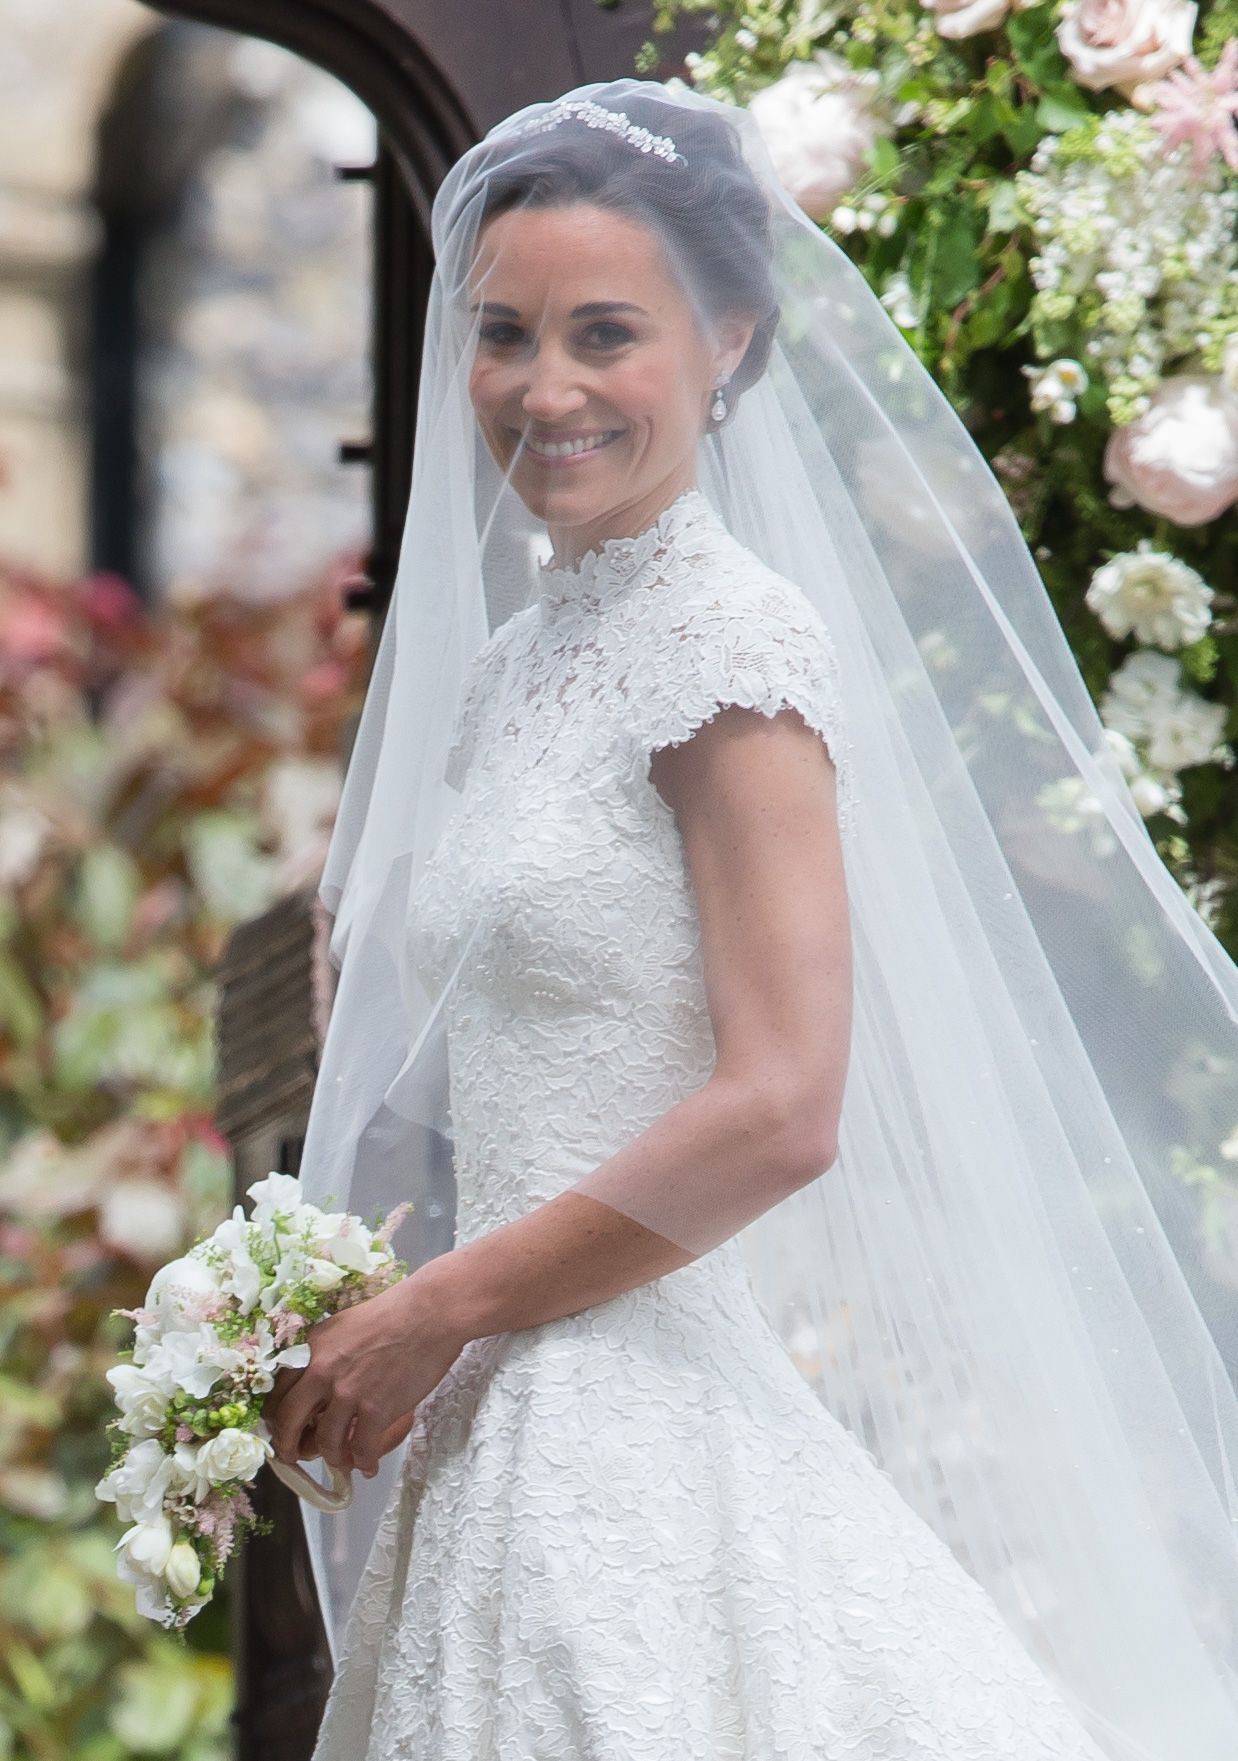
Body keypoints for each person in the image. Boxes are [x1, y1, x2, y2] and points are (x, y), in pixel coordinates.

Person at [263, 80, 1238, 1758]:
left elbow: (782, 1106)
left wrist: (435, 1308)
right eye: (503, 335)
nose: (543, 387)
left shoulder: (728, 651)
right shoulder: (517, 665)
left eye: (604, 334)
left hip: (621, 1393)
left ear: (727, 344)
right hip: (508, 1404)